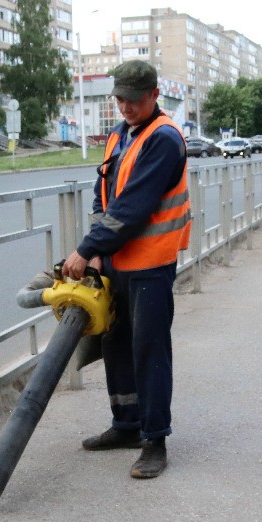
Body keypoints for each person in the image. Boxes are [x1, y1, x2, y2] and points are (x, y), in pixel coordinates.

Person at [61, 60, 191, 479]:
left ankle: (155, 440)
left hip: (151, 263)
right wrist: (98, 252)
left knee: (150, 349)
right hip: (117, 261)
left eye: (134, 99)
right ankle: (126, 425)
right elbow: (105, 195)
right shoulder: (119, 135)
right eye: (120, 99)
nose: (126, 106)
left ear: (155, 95)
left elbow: (134, 206)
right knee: (116, 344)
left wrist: (87, 249)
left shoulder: (165, 139)